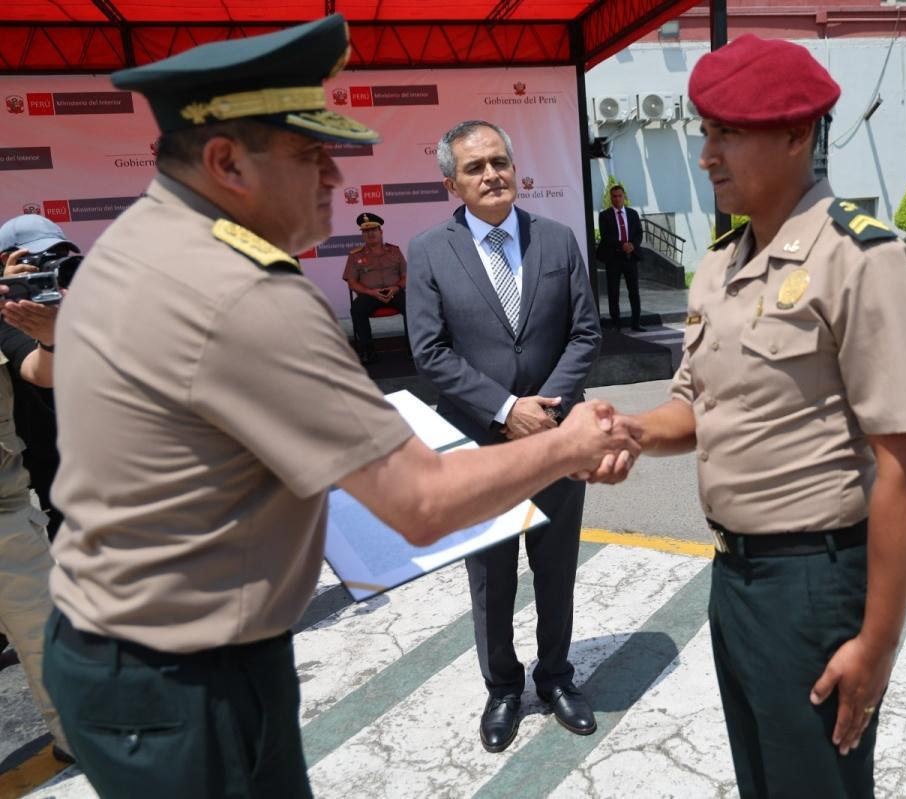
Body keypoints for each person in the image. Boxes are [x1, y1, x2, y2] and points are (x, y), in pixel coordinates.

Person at [43, 17, 636, 798]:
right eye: (309, 153)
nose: (335, 178)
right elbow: (422, 504)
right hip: (192, 681)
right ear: (224, 161)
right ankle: (504, 682)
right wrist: (572, 442)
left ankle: (550, 672)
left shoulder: (133, 247)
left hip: (120, 655)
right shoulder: (247, 293)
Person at [586, 35, 906, 798]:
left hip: (816, 585)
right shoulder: (720, 266)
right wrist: (635, 432)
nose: (707, 154)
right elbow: (698, 404)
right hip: (733, 578)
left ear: (795, 135)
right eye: (705, 132)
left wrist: (877, 644)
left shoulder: (862, 260)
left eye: (728, 132)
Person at [407, 120, 603, 753]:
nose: (491, 174)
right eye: (475, 167)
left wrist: (544, 410)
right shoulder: (430, 252)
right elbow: (430, 352)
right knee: (492, 576)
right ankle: (502, 688)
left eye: (499, 161)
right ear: (452, 183)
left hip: (557, 438)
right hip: (478, 446)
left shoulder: (559, 239)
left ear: (515, 169)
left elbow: (585, 334)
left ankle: (556, 678)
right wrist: (503, 408)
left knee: (557, 567)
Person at [0, 248, 72, 762]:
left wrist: (48, 334)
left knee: (45, 639)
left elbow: (39, 372)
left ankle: (78, 741)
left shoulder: (3, 307)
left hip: (5, 517)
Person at [0, 214, 78, 540]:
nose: (53, 266)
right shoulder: (7, 309)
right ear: (8, 260)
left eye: (60, 256)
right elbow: (41, 374)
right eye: (41, 258)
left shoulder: (75, 300)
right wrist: (50, 339)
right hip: (41, 469)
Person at [343, 211, 406, 364]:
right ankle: (368, 350)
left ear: (381, 231)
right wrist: (370, 292)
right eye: (366, 231)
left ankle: (414, 348)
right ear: (362, 235)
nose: (370, 234)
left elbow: (406, 276)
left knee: (413, 306)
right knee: (357, 309)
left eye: (373, 230)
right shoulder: (355, 256)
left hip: (394, 292)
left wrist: (396, 287)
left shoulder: (395, 251)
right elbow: (351, 282)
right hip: (369, 295)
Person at [597, 184, 644, 331]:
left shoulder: (633, 214)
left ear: (624, 197)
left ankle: (636, 323)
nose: (617, 199)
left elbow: (639, 233)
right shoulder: (604, 216)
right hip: (614, 258)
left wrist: (632, 245)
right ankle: (616, 324)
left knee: (634, 291)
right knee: (613, 291)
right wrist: (621, 245)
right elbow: (606, 237)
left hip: (630, 256)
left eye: (620, 196)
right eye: (614, 196)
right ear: (611, 198)